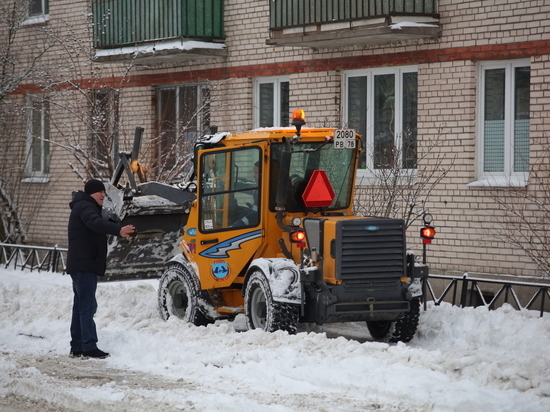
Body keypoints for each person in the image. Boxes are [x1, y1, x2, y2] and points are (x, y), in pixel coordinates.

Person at [66, 179, 135, 359]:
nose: (104, 195)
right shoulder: (85, 207)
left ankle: (78, 346)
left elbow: (98, 222)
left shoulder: (84, 206)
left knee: (80, 306)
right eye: (100, 192)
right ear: (91, 193)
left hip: (82, 263)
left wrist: (113, 222)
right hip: (84, 264)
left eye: (104, 192)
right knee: (87, 306)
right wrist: (118, 230)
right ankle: (88, 347)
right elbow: (95, 223)